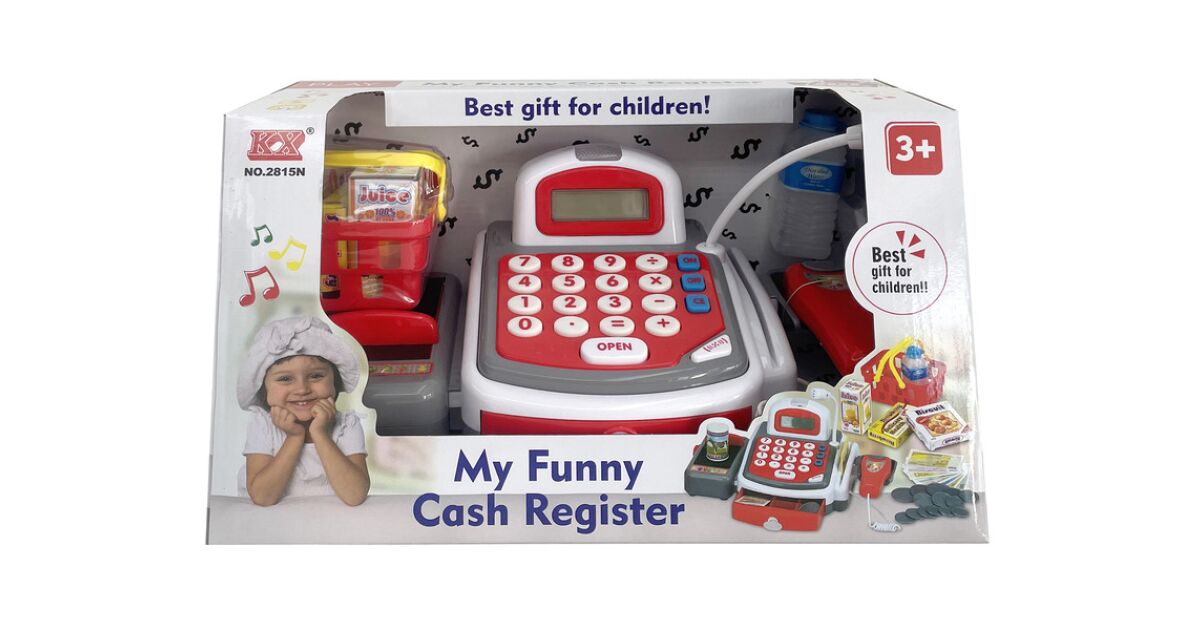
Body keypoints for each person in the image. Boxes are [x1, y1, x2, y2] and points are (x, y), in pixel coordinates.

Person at [236, 316, 370, 506]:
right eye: (285, 379)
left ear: (335, 381)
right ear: (264, 390)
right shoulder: (263, 425)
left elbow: (355, 495)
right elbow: (262, 497)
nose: (302, 389)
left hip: (329, 519)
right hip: (275, 521)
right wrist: (294, 437)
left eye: (316, 376)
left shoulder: (346, 425)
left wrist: (320, 434)